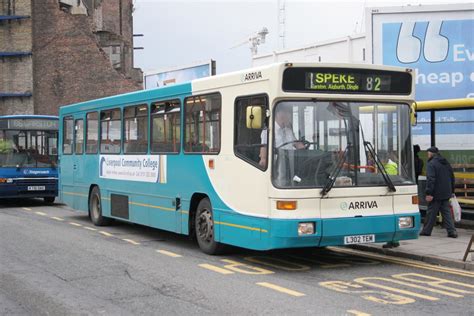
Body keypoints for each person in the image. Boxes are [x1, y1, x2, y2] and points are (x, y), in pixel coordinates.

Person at [420, 146, 458, 238]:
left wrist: (429, 193)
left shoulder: (431, 164)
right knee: (446, 212)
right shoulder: (445, 162)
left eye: (428, 153)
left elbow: (431, 179)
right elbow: (452, 177)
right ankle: (452, 231)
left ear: (430, 154)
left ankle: (426, 231)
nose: (427, 155)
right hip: (446, 192)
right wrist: (452, 190)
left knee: (431, 212)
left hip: (436, 193)